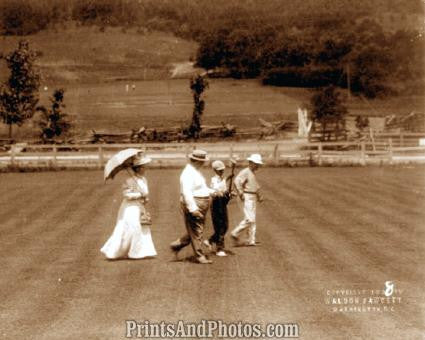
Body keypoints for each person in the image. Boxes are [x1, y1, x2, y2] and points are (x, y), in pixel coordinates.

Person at [100, 155, 157, 259]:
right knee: (131, 227)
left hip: (139, 206)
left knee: (142, 226)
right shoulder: (129, 181)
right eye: (144, 167)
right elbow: (127, 195)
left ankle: (140, 251)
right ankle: (117, 252)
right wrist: (140, 195)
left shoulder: (144, 180)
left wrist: (145, 199)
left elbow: (145, 193)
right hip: (130, 207)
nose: (146, 169)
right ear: (138, 168)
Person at [170, 149, 214, 264]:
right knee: (196, 230)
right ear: (197, 161)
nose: (204, 163)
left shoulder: (196, 171)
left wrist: (214, 191)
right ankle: (199, 256)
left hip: (202, 202)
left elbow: (201, 188)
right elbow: (187, 192)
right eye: (202, 161)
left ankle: (177, 245)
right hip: (194, 203)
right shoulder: (187, 173)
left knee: (195, 229)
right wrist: (193, 209)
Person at [230, 154, 264, 246]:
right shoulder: (245, 172)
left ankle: (251, 240)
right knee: (249, 219)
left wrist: (258, 196)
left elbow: (255, 186)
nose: (258, 166)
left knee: (253, 219)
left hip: (252, 197)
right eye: (256, 163)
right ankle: (235, 233)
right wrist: (240, 192)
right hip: (246, 196)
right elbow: (237, 181)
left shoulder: (252, 173)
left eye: (258, 164)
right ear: (251, 163)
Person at [204, 160, 232, 257]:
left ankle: (210, 240)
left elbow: (224, 192)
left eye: (222, 170)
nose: (221, 171)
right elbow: (217, 190)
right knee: (219, 226)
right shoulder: (214, 180)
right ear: (215, 170)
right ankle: (219, 248)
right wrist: (227, 179)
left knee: (225, 225)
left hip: (222, 203)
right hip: (216, 204)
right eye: (219, 170)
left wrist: (229, 194)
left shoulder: (222, 179)